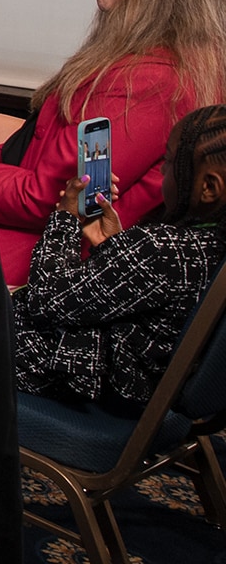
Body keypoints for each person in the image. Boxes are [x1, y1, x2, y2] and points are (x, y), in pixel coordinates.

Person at [0, 0, 226, 286]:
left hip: (56, 263)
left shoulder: (151, 80)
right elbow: (35, 151)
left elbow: (51, 200)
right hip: (53, 241)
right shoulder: (171, 60)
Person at [14, 105, 226, 405]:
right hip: (142, 389)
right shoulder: (208, 248)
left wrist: (64, 220)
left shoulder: (160, 249)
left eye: (169, 161)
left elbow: (46, 301)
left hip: (82, 383)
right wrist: (113, 247)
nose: (164, 171)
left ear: (208, 188)